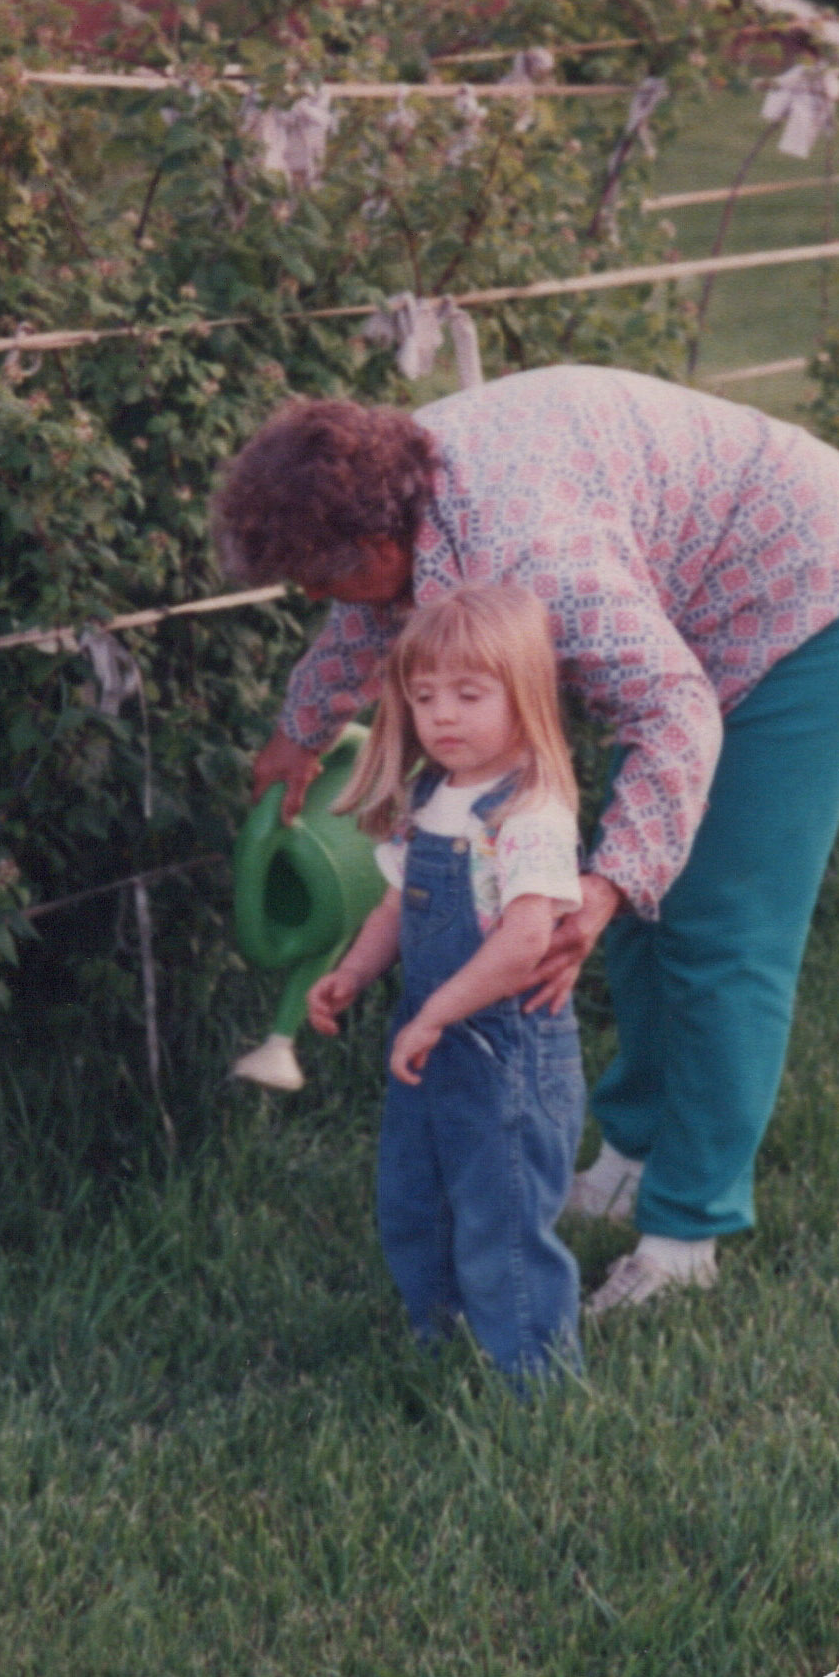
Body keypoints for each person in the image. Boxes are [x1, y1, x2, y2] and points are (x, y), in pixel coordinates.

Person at [214, 364, 839, 1316]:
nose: (315, 595)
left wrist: (615, 880)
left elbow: (673, 709)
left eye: (320, 575)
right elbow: (371, 611)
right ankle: (629, 1156)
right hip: (675, 601)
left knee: (715, 924)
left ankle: (683, 1236)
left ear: (383, 534)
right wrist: (299, 730)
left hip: (801, 588)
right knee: (623, 905)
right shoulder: (392, 502)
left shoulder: (537, 557)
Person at [307, 584, 587, 1381]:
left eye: (469, 694)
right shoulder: (432, 798)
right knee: (414, 1202)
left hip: (505, 1056)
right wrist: (356, 971)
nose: (443, 717)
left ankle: (535, 1385)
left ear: (525, 697)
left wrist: (436, 1011)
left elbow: (527, 940)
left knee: (502, 1221)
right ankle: (437, 1344)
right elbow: (399, 900)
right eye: (425, 697)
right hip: (429, 1046)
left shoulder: (526, 814)